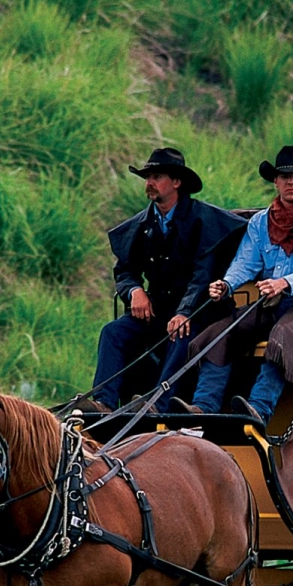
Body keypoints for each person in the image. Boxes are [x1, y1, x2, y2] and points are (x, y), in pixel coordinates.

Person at [177, 146, 293, 424]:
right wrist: (226, 284)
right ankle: (204, 406)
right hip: (271, 302)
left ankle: (258, 410)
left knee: (283, 334)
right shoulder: (260, 221)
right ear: (275, 181)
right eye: (284, 177)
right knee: (220, 332)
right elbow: (246, 263)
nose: (291, 182)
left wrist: (284, 283)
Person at [87, 148, 246, 410]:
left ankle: (157, 405)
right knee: (112, 332)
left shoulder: (202, 221)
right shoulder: (141, 225)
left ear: (176, 182)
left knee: (181, 334)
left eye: (157, 176)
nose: (149, 183)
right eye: (148, 177)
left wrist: (184, 313)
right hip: (158, 311)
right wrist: (135, 291)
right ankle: (103, 402)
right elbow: (125, 270)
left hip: (200, 313)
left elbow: (202, 275)